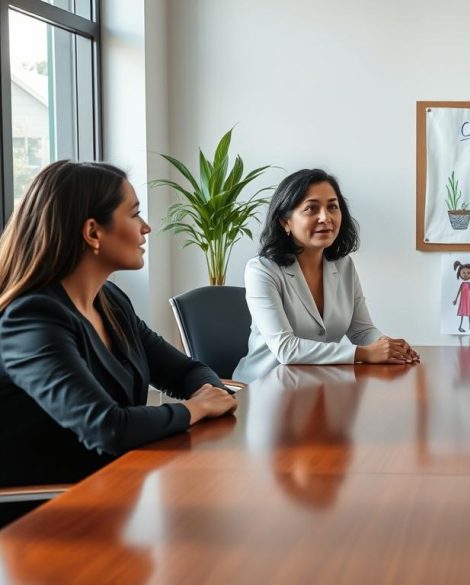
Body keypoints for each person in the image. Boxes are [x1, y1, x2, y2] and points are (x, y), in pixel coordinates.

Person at [0, 161, 237, 494]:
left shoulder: (109, 301)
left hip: (109, 488)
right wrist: (195, 407)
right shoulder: (32, 319)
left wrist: (210, 393)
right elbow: (107, 427)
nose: (146, 227)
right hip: (43, 513)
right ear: (93, 232)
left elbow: (186, 371)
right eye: (135, 214)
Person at [233, 169, 418, 383]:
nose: (325, 217)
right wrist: (365, 354)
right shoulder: (261, 270)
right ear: (285, 222)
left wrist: (388, 346)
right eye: (311, 208)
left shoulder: (344, 265)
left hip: (319, 385)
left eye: (332, 207)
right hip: (264, 388)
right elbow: (286, 349)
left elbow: (362, 330)